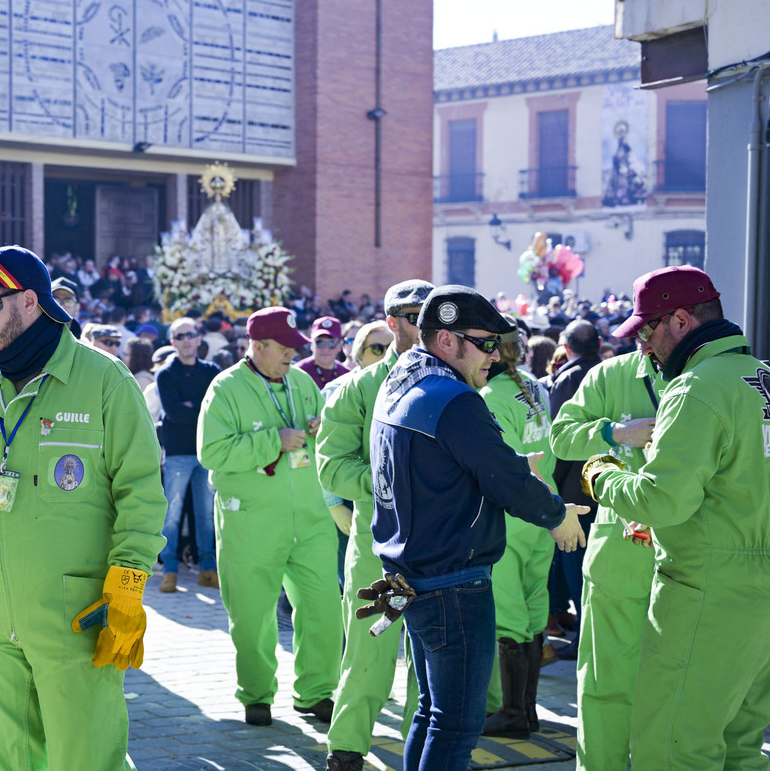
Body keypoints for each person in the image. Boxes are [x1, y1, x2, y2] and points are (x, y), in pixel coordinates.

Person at [0, 246, 166, 769]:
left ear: (30, 302)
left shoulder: (105, 381)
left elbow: (142, 493)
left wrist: (128, 586)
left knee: (86, 757)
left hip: (73, 615)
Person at [369, 285, 587, 771]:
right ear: (447, 340)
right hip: (450, 582)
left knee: (432, 714)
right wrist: (557, 515)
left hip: (415, 574)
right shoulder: (453, 397)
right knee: (456, 725)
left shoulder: (401, 379)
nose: (496, 354)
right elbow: (505, 477)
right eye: (486, 342)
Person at [580, 266, 770, 771]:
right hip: (760, 600)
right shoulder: (763, 381)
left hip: (709, 591)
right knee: (741, 747)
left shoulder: (694, 388)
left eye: (646, 330)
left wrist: (600, 474)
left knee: (671, 749)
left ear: (681, 321)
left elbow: (661, 503)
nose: (643, 346)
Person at [198, 306, 342, 727]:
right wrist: (271, 442)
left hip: (311, 519)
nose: (292, 356)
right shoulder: (224, 389)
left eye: (295, 348)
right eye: (284, 348)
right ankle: (256, 695)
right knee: (253, 615)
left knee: (323, 610)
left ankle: (315, 693)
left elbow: (324, 440)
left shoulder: (302, 382)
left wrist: (319, 430)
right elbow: (212, 453)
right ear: (256, 346)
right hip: (251, 522)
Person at [317, 279, 431, 771]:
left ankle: (422, 753)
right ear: (392, 321)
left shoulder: (453, 383)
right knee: (369, 650)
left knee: (430, 662)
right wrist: (395, 481)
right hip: (377, 543)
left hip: (438, 545)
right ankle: (346, 751)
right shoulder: (359, 388)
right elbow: (332, 467)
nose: (427, 326)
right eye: (415, 317)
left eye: (434, 315)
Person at [549, 342, 663, 770]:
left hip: (691, 552)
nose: (643, 340)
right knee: (605, 681)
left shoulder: (711, 375)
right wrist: (615, 432)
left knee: (675, 685)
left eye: (649, 327)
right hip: (622, 549)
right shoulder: (610, 374)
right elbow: (561, 436)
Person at [479, 321, 557, 739]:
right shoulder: (535, 386)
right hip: (544, 510)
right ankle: (527, 710)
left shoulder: (489, 395)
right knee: (533, 606)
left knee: (509, 613)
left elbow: (500, 464)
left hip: (511, 515)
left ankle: (512, 713)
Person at [545, 319, 602, 655]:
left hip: (573, 493)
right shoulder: (607, 371)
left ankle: (584, 638)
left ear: (566, 348)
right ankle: (587, 635)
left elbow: (559, 442)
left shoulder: (569, 377)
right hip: (603, 484)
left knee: (577, 568)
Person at [155, 317, 221, 593]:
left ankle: (208, 569)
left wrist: (190, 405)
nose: (185, 340)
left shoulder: (211, 371)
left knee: (206, 514)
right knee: (172, 513)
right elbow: (174, 413)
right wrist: (199, 406)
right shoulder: (165, 374)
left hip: (206, 451)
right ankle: (169, 570)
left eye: (189, 335)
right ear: (173, 342)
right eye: (179, 336)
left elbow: (215, 409)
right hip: (178, 453)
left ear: (198, 338)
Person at [295, 316, 351, 388]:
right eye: (319, 342)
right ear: (311, 344)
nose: (325, 348)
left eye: (332, 343)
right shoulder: (297, 372)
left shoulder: (348, 375)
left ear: (340, 345)